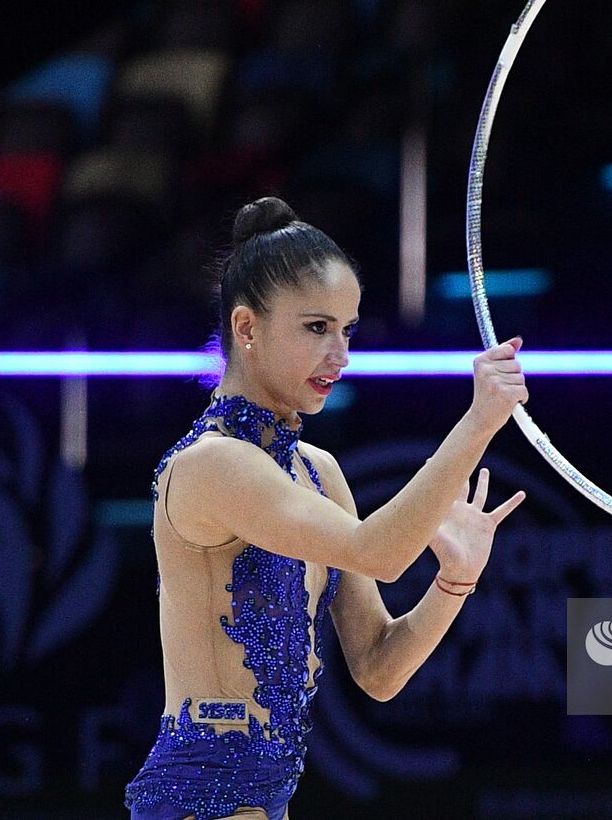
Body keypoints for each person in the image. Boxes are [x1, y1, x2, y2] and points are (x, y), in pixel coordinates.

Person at [124, 197, 529, 820]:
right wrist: (477, 424)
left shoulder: (318, 472)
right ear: (247, 328)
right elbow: (382, 553)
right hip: (198, 805)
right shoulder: (212, 465)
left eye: (347, 330)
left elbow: (378, 668)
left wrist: (456, 581)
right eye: (317, 328)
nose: (340, 354)